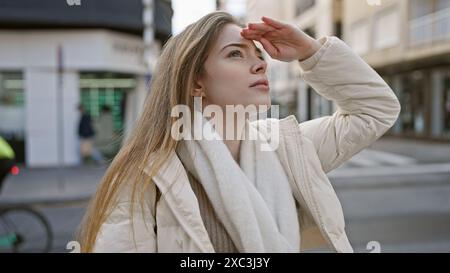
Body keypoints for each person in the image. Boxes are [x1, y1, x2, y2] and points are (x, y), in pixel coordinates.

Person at [76, 12, 400, 253]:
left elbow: (375, 110)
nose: (261, 64)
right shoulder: (148, 177)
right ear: (196, 83)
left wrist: (310, 51)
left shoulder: (287, 148)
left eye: (259, 54)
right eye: (236, 53)